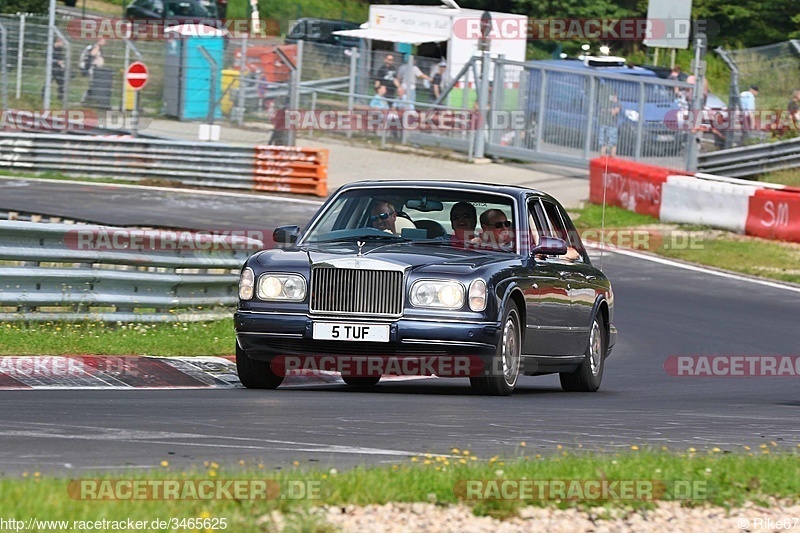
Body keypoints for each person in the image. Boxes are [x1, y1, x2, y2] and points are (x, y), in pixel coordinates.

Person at [597, 82, 620, 156]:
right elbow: (602, 110)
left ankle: (612, 156)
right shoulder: (603, 101)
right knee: (603, 141)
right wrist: (609, 110)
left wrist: (609, 110)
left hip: (612, 125)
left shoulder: (617, 103)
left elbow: (615, 111)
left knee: (612, 142)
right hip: (603, 123)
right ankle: (602, 156)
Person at [81, 38, 106, 104]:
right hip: (89, 67)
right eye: (104, 40)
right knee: (91, 84)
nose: (105, 42)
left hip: (92, 68)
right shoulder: (95, 47)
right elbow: (91, 55)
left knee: (92, 84)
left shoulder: (95, 47)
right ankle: (84, 100)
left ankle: (89, 100)